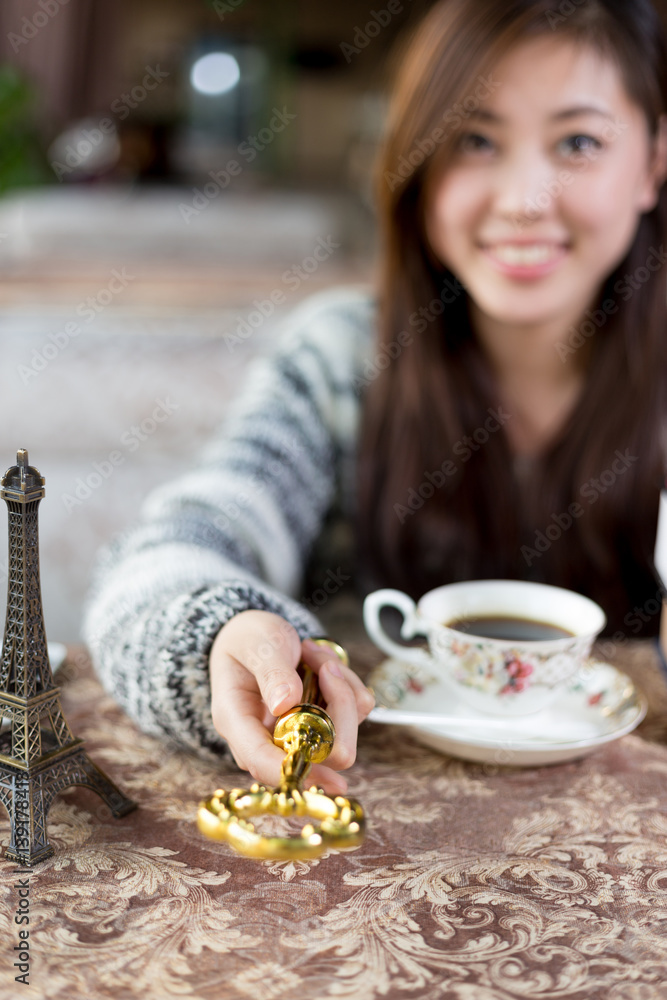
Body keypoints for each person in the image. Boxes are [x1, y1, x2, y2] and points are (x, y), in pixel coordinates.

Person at [83, 0, 667, 795]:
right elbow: (176, 547)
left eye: (578, 142)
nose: (524, 199)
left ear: (652, 161)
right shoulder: (339, 360)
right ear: (416, 163)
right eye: (473, 140)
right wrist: (223, 629)